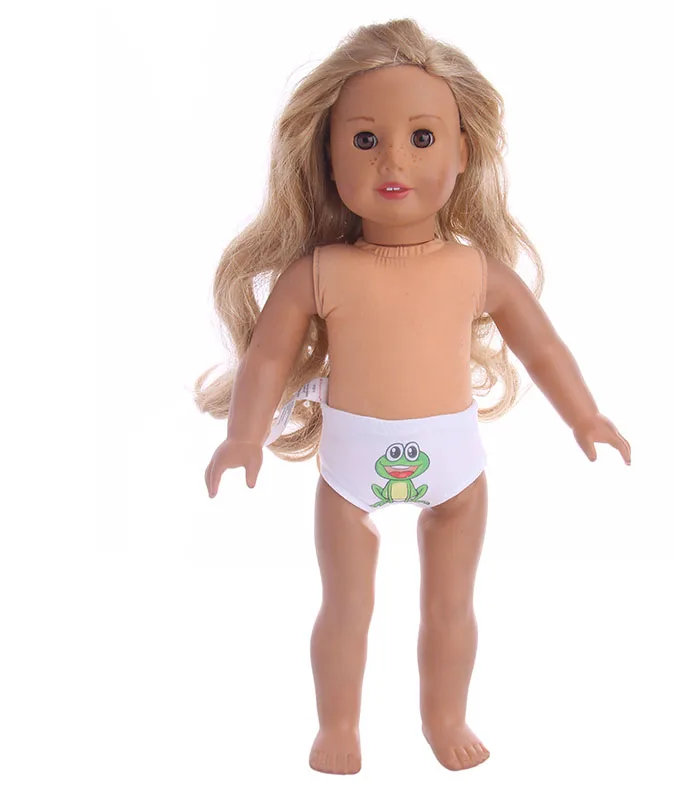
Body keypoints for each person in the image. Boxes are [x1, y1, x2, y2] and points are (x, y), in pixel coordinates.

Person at [195, 18, 631, 775]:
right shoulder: (318, 272)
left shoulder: (477, 270)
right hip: (349, 470)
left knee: (451, 605)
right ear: (327, 157)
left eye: (422, 137)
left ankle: (445, 718)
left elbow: (543, 347)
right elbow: (267, 357)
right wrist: (243, 434)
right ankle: (338, 726)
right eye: (365, 139)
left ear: (463, 151)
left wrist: (585, 415)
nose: (393, 159)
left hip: (455, 469)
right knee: (346, 606)